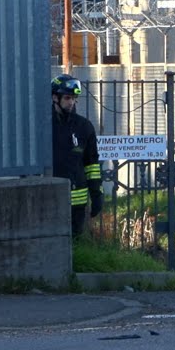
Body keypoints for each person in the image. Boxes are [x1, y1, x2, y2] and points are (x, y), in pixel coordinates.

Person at [51, 74, 101, 236]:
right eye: (67, 98)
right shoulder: (43, 126)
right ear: (54, 97)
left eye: (74, 98)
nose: (71, 102)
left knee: (76, 244)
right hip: (49, 199)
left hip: (77, 203)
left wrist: (96, 194)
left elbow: (92, 164)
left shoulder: (84, 127)